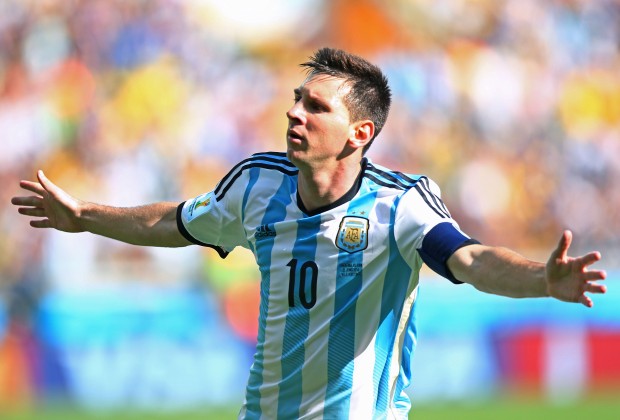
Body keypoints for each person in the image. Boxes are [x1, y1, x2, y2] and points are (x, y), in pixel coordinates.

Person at [11, 47, 607, 419]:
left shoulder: (401, 205)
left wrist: (541, 279)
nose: (295, 113)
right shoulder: (255, 185)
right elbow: (177, 222)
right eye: (298, 100)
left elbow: (470, 260)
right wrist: (85, 214)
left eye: (316, 107)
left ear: (360, 133)